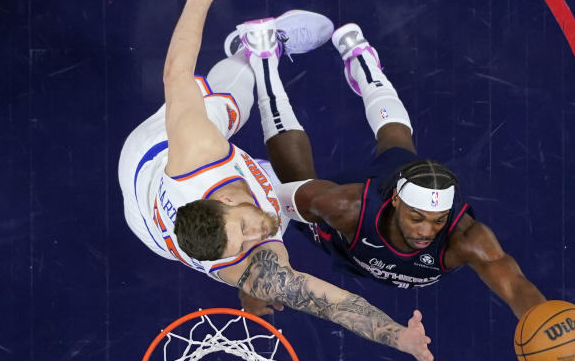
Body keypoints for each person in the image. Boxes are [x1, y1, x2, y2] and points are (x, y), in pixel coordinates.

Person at [116, 0, 441, 361]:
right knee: (295, 195)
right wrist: (399, 336)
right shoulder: (251, 264)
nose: (257, 233)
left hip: (147, 156)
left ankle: (247, 53)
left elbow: (175, 73)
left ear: (225, 202)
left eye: (244, 227)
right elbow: (332, 305)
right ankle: (262, 55)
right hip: (152, 228)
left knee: (231, 100)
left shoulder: (196, 152)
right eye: (245, 243)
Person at [231, 19, 547, 320]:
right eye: (417, 217)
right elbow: (271, 204)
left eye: (438, 220)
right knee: (291, 179)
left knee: (396, 139)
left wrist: (543, 318)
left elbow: (515, 286)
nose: (426, 231)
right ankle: (264, 59)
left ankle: (361, 57)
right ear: (396, 199)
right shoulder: (342, 207)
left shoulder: (465, 237)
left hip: (394, 185)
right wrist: (255, 271)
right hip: (340, 227)